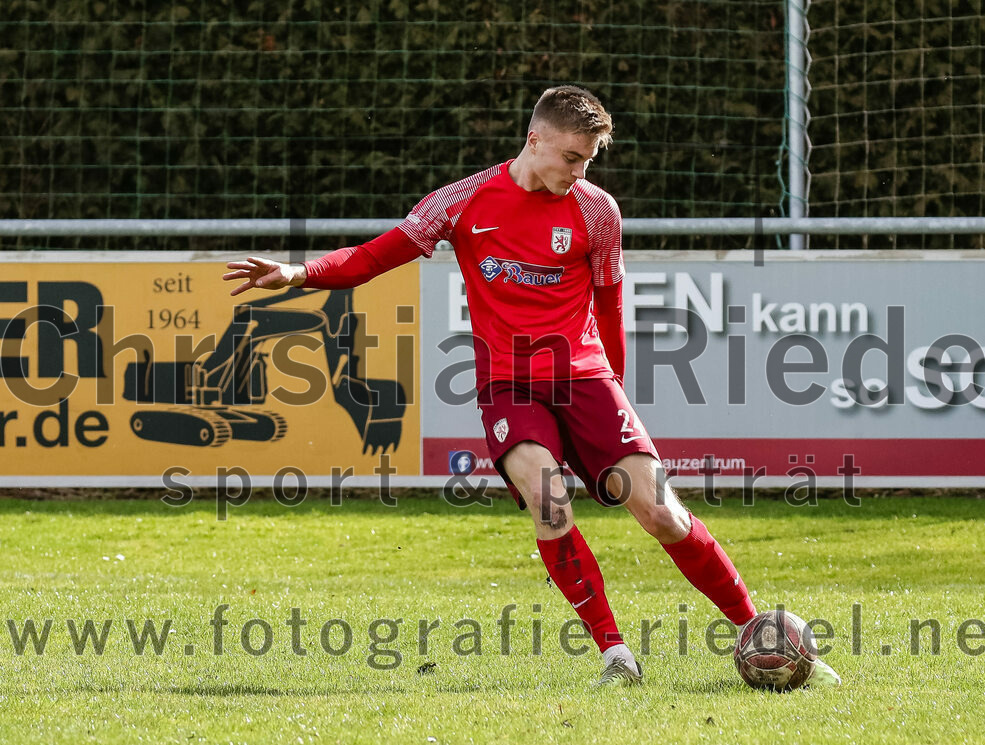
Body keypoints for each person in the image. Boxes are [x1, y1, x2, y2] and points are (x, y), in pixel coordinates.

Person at [224, 85, 840, 688]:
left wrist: (615, 388)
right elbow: (377, 254)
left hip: (586, 380)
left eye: (588, 161)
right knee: (548, 500)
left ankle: (763, 633)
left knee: (661, 512)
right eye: (571, 157)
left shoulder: (597, 211)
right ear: (535, 140)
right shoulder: (462, 203)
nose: (578, 171)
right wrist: (298, 273)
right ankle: (615, 653)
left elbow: (610, 303)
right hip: (508, 386)